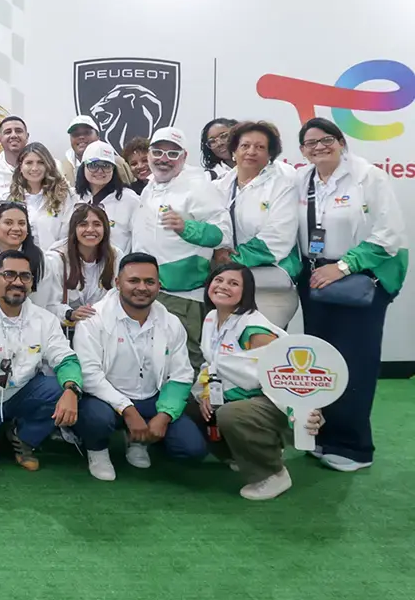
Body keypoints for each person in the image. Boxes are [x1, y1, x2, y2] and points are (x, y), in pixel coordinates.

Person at [294, 118, 407, 472]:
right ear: (302, 151)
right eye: (310, 143)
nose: (319, 147)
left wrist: (343, 266)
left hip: (359, 277)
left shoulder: (368, 177)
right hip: (315, 277)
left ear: (341, 142)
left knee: (355, 362)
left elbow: (390, 234)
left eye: (326, 139)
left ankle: (354, 447)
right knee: (321, 362)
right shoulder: (302, 180)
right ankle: (323, 436)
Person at [191, 263, 324, 499]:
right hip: (235, 393)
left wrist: (302, 413)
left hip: (272, 402)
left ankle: (272, 474)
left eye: (233, 283)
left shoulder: (255, 329)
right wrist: (205, 393)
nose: (223, 286)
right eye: (218, 280)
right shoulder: (212, 317)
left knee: (232, 413)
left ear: (246, 292)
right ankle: (238, 455)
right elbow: (212, 364)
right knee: (192, 404)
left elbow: (286, 375)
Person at [0, 250, 83, 478]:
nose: (18, 282)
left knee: (65, 388)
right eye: (9, 274)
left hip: (22, 392)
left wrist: (71, 390)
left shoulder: (44, 319)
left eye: (25, 276)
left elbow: (66, 358)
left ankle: (24, 437)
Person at [72, 253, 205, 481]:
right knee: (96, 418)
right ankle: (97, 450)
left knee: (192, 449)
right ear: (118, 283)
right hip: (105, 401)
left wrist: (164, 415)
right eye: (133, 281)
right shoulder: (94, 319)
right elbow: (89, 375)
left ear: (159, 285)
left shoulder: (171, 322)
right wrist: (128, 411)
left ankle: (138, 441)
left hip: (150, 398)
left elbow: (181, 375)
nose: (142, 288)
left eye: (149, 282)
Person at [130, 127, 231, 367]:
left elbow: (223, 234)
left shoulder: (198, 186)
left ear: (184, 157)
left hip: (183, 297)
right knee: (153, 360)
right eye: (158, 152)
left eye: (172, 154)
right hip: (151, 291)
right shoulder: (150, 187)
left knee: (186, 361)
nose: (164, 159)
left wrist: (187, 228)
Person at [214, 121, 300, 328]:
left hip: (269, 283)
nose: (251, 151)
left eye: (260, 147)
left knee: (261, 342)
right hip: (228, 282)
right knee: (228, 341)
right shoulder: (218, 187)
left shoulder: (284, 184)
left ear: (270, 154)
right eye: (245, 145)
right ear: (234, 150)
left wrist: (232, 258)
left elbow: (279, 235)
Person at [50, 204, 119, 332]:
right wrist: (70, 314)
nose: (90, 229)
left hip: (103, 330)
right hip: (65, 332)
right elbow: (48, 304)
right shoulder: (56, 258)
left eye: (97, 224)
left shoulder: (115, 256)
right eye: (83, 224)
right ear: (73, 229)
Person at [73, 141, 140, 251]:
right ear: (83, 167)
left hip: (117, 261)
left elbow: (140, 240)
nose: (100, 171)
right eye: (93, 165)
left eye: (106, 165)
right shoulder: (73, 197)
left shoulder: (130, 200)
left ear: (114, 169)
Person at [8, 142, 74, 251]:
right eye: (29, 163)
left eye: (40, 162)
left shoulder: (64, 196)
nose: (34, 168)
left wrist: (51, 258)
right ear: (20, 166)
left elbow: (67, 236)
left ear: (48, 165)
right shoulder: (10, 198)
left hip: (57, 258)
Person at [59, 115, 135, 186]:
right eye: (76, 134)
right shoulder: (61, 169)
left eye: (87, 133)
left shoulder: (118, 163)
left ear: (98, 136)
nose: (81, 137)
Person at [0, 116, 29, 200]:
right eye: (8, 132)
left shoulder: (44, 167)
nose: (14, 135)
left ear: (27, 136)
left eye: (18, 131)